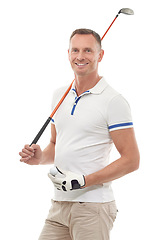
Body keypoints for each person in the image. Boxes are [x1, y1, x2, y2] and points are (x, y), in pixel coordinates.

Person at [19, 28, 140, 240]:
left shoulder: (113, 101)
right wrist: (40, 158)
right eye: (75, 50)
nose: (80, 56)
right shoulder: (59, 95)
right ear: (68, 54)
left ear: (100, 55)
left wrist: (85, 180)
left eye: (88, 50)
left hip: (92, 207)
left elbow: (132, 160)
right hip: (59, 204)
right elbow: (56, 144)